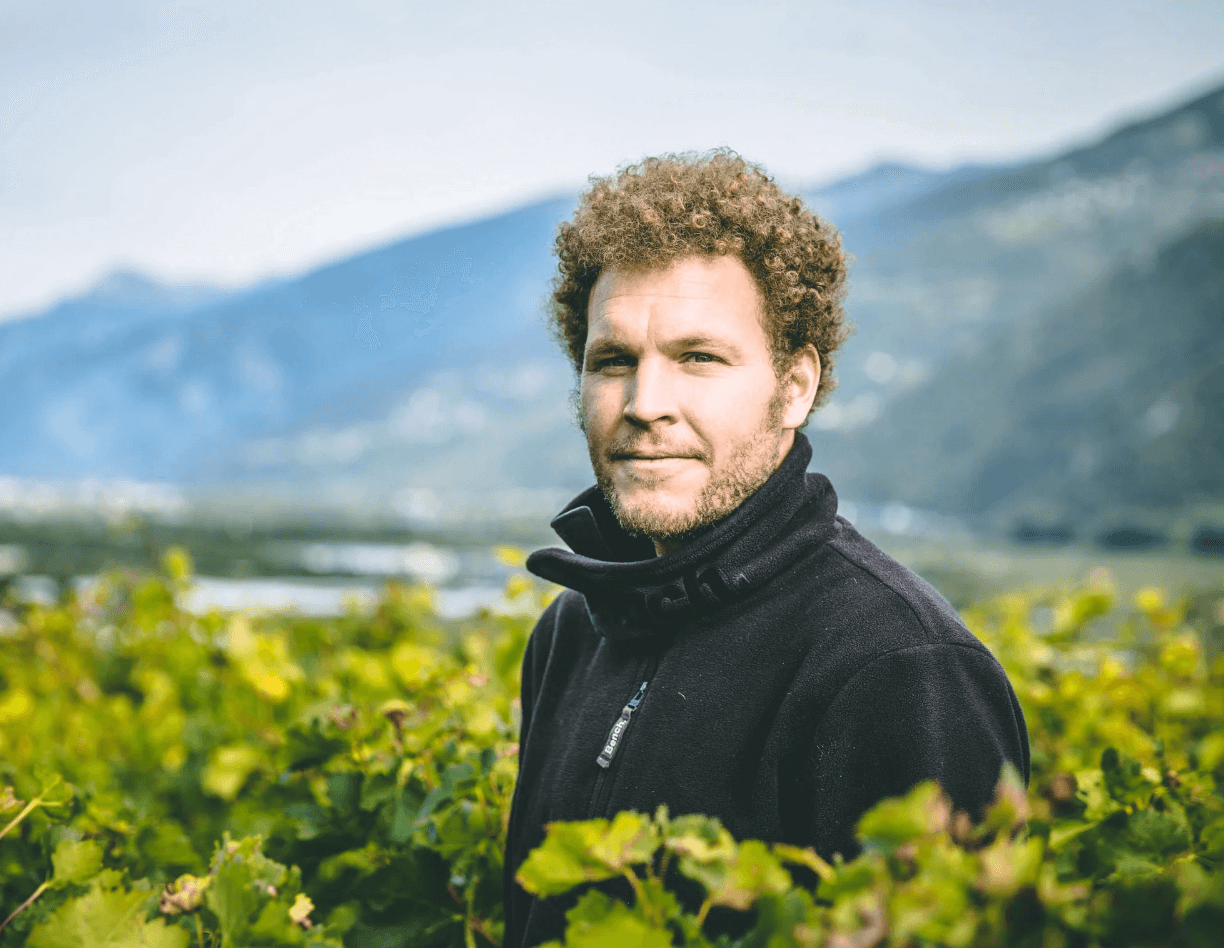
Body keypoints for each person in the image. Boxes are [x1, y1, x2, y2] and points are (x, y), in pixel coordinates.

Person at [503, 150, 1029, 948]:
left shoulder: (900, 668)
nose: (645, 403)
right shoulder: (570, 633)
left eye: (699, 358)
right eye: (613, 361)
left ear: (795, 387)